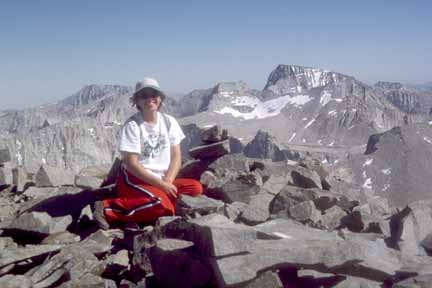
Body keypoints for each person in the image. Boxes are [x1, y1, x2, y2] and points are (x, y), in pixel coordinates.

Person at [98, 77, 203, 227]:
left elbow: (176, 156)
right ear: (137, 102)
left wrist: (167, 182)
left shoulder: (168, 122)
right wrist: (161, 185)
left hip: (161, 179)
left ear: (160, 98)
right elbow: (131, 163)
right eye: (144, 96)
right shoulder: (133, 125)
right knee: (163, 205)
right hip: (135, 179)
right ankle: (107, 207)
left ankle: (153, 204)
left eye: (154, 94)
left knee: (195, 189)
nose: (150, 99)